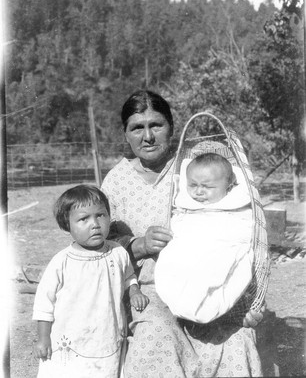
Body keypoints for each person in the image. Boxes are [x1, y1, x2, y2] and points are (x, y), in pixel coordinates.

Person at [101, 89, 266, 378]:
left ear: (172, 128)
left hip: (211, 285)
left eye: (156, 125)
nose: (148, 136)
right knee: (156, 342)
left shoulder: (195, 168)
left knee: (235, 343)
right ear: (125, 134)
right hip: (148, 293)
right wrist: (137, 245)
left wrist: (252, 301)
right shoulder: (116, 181)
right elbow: (98, 246)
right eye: (137, 128)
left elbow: (244, 235)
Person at [32, 184, 149, 378]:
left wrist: (134, 291)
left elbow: (128, 277)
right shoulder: (62, 262)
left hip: (106, 334)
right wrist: (43, 339)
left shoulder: (118, 253)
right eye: (83, 219)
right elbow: (44, 305)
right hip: (71, 339)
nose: (94, 224)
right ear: (67, 224)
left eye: (100, 215)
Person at [155, 153, 255, 324]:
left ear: (229, 185)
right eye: (192, 185)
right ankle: (182, 303)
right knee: (171, 263)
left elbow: (244, 232)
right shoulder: (186, 204)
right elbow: (179, 226)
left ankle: (207, 306)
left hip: (221, 249)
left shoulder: (236, 205)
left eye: (207, 187)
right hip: (189, 250)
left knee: (217, 270)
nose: (198, 191)